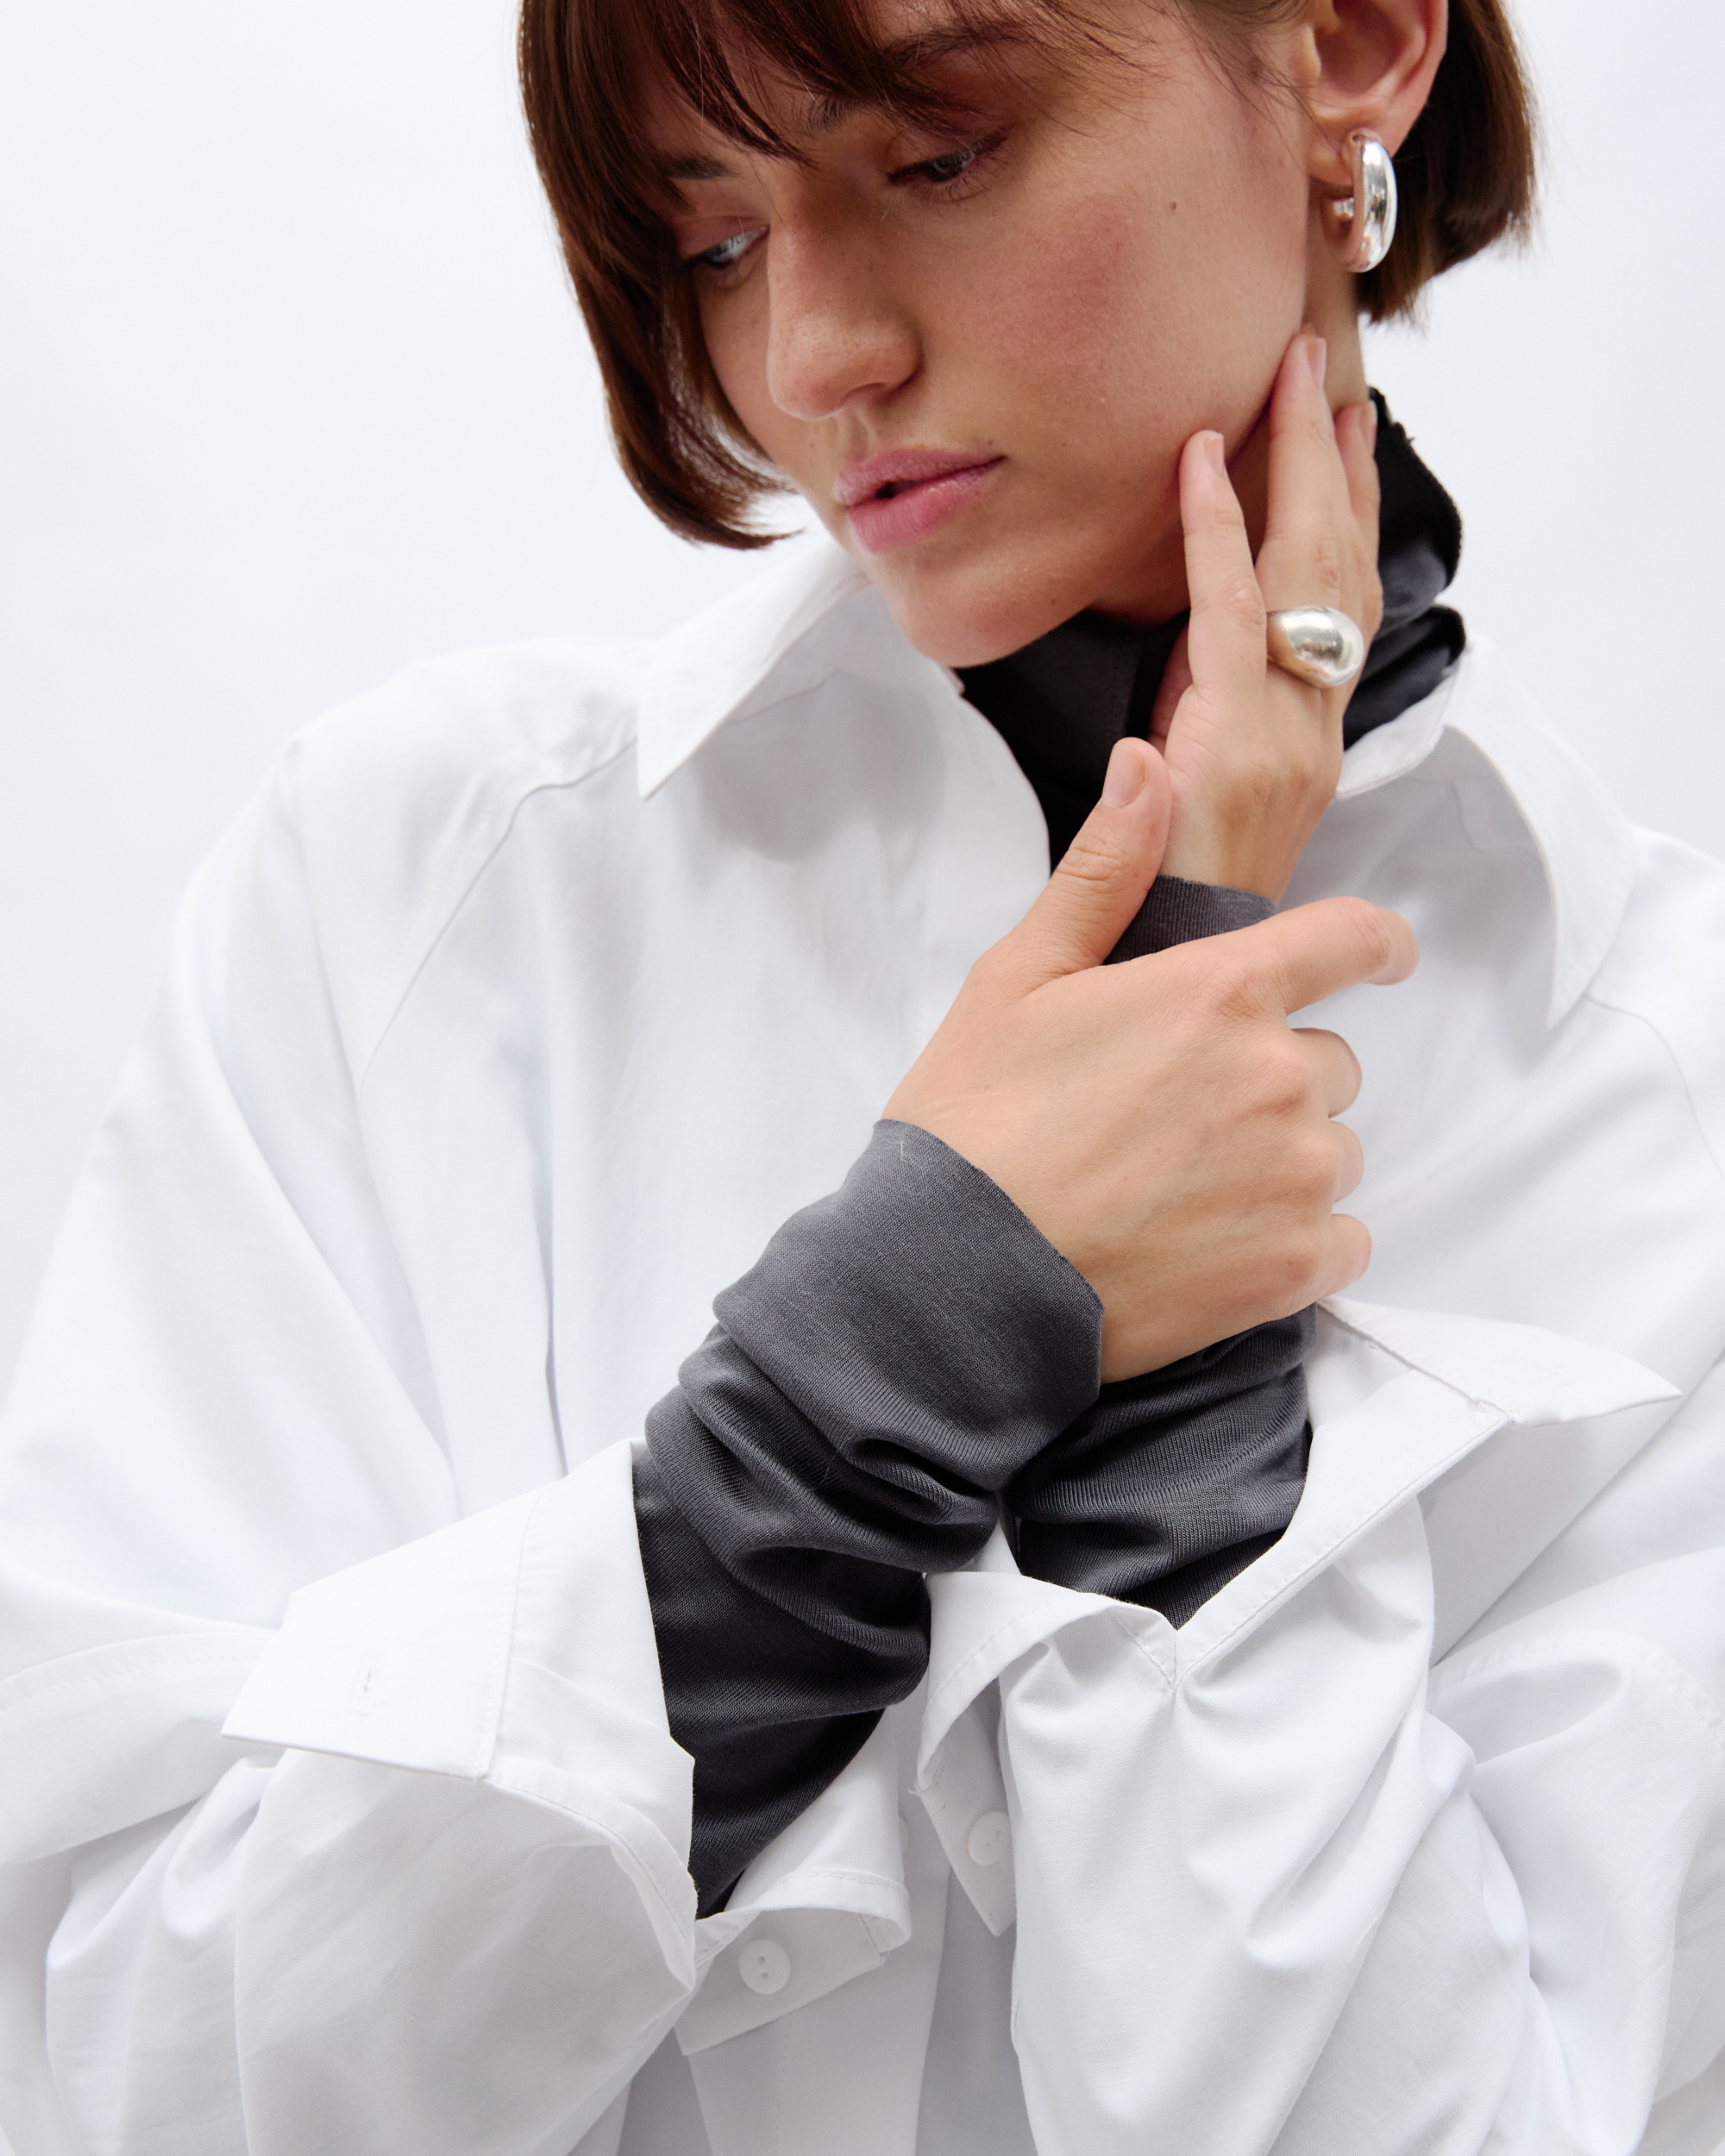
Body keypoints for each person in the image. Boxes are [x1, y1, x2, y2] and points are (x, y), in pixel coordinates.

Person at [3, 0, 1724, 2149]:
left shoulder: (1664, 1092)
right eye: (711, 240)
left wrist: (1190, 1357)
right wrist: (856, 1382)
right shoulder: (429, 888)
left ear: (1354, 45)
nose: (811, 358)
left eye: (937, 156)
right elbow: (130, 2072)